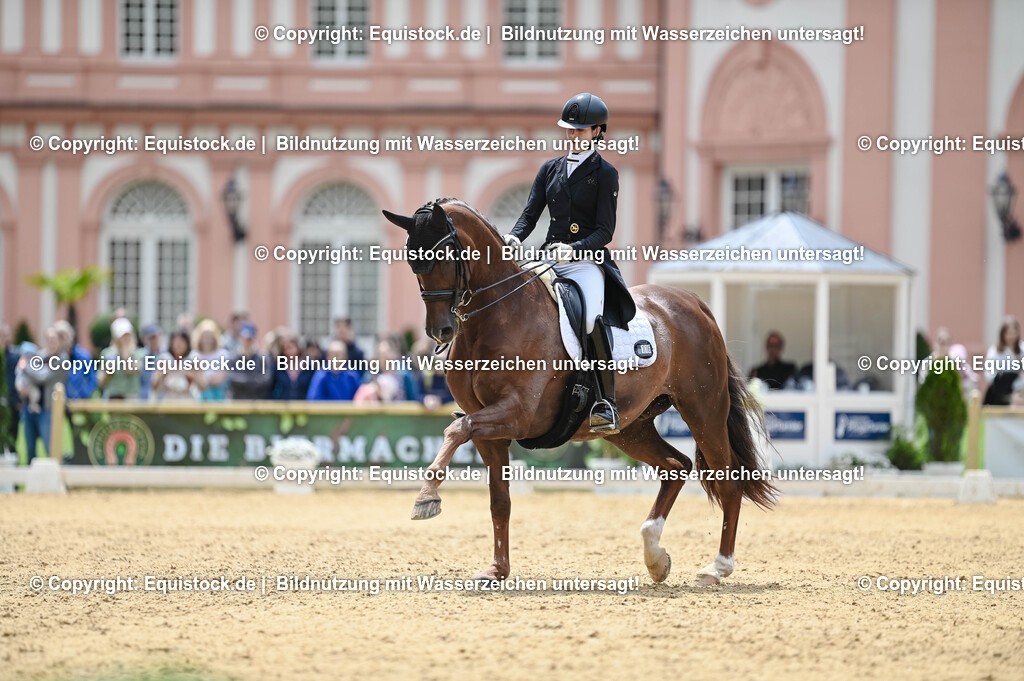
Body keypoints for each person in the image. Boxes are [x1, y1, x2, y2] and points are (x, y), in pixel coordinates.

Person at [503, 92, 636, 434]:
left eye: (580, 130)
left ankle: (605, 400)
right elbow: (530, 213)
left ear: (597, 132)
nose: (573, 135)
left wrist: (574, 248)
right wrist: (515, 236)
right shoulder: (550, 168)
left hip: (585, 262)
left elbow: (605, 231)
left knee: (591, 317)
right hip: (549, 255)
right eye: (569, 130)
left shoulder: (606, 174)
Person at [15, 326, 68, 461]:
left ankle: (55, 480)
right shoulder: (40, 356)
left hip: (48, 410)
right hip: (30, 409)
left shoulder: (62, 360)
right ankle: (32, 480)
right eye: (49, 339)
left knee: (51, 449)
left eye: (54, 339)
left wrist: (25, 367)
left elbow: (42, 378)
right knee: (30, 450)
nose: (52, 343)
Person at [98, 318, 145, 399]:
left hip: (132, 397)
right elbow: (101, 382)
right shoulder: (107, 353)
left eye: (128, 335)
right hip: (112, 396)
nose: (125, 339)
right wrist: (108, 371)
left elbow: (131, 369)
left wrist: (125, 352)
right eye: (123, 336)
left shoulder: (139, 353)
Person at [984, 316, 1024, 406]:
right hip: (998, 394)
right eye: (1009, 333)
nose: (1012, 337)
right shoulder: (994, 351)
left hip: (1019, 395)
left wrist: (1016, 386)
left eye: (1014, 333)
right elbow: (990, 375)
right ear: (1003, 334)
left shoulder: (1022, 350)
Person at [151, 331, 202, 400]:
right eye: (176, 342)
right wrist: (163, 373)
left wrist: (189, 374)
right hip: (169, 401)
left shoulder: (194, 360)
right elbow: (154, 385)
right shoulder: (164, 359)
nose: (178, 345)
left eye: (181, 342)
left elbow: (203, 385)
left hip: (188, 400)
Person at [228, 322, 272, 400]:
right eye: (245, 339)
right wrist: (255, 378)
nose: (247, 342)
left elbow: (266, 381)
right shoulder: (233, 358)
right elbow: (231, 379)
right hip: (237, 404)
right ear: (240, 338)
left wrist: (243, 380)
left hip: (258, 404)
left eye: (249, 339)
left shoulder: (263, 359)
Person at [190, 319, 229, 401]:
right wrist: (207, 379)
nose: (207, 339)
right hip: (200, 395)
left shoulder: (223, 354)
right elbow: (198, 381)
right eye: (205, 336)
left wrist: (204, 378)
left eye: (210, 336)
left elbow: (219, 379)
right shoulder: (194, 355)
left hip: (219, 395)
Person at [271, 332, 313, 400]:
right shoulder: (278, 367)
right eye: (285, 348)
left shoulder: (309, 366)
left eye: (291, 347)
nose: (289, 351)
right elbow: (272, 388)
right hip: (284, 406)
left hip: (305, 406)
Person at [138, 323, 163, 400]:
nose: (155, 340)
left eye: (157, 337)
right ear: (144, 339)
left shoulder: (166, 355)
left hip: (163, 400)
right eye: (151, 338)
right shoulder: (139, 355)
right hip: (143, 399)